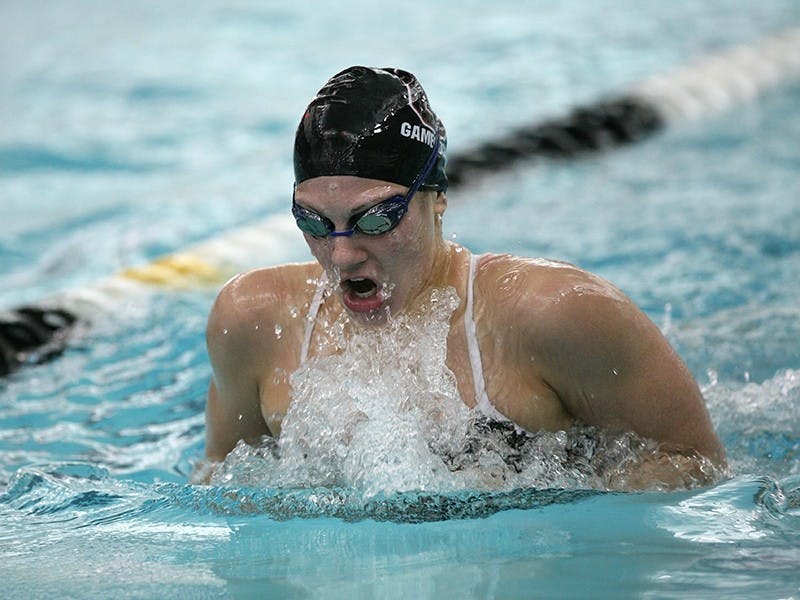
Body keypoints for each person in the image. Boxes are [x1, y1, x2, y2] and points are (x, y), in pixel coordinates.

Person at [203, 66, 726, 489]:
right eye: (314, 223)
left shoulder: (555, 313)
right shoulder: (253, 321)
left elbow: (695, 464)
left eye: (377, 219)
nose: (340, 256)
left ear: (437, 200)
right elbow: (222, 484)